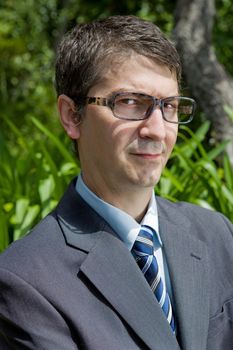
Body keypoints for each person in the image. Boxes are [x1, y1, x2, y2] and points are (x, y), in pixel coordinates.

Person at [0, 15, 233, 350]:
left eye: (168, 106)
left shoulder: (217, 235)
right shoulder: (26, 282)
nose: (156, 129)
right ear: (71, 116)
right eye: (130, 103)